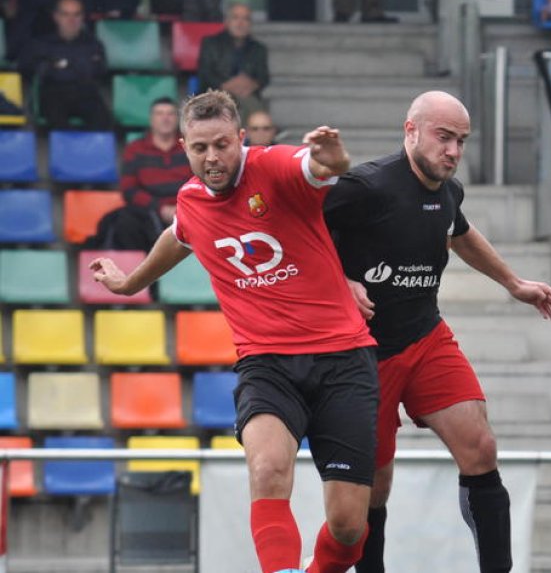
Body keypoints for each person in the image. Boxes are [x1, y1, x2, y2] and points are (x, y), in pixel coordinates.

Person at [90, 90, 379, 573]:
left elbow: (317, 167)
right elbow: (178, 234)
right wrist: (129, 284)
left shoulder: (275, 168)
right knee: (266, 469)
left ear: (241, 139)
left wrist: (334, 159)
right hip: (265, 363)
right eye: (200, 148)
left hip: (343, 358)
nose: (212, 157)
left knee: (350, 526)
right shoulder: (190, 199)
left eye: (222, 145)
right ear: (184, 147)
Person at [323, 91, 551, 573]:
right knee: (375, 487)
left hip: (425, 337)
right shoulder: (365, 187)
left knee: (481, 447)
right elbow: (298, 229)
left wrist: (513, 283)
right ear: (410, 130)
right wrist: (339, 282)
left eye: (461, 141)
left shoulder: (448, 191)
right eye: (444, 137)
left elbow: (460, 232)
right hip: (361, 356)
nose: (453, 151)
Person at [89, 97, 191, 251]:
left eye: (170, 114)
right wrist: (161, 208)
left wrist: (180, 208)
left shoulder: (190, 148)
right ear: (151, 119)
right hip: (149, 213)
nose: (165, 118)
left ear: (177, 119)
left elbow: (200, 183)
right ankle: (142, 272)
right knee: (125, 222)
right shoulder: (135, 149)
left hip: (187, 211)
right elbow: (129, 190)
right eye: (160, 114)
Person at [18, 0, 113, 129]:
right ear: (56, 17)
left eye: (76, 15)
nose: (71, 20)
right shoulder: (41, 43)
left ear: (82, 17)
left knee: (103, 120)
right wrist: (50, 68)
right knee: (58, 122)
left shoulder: (93, 44)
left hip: (85, 92)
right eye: (65, 15)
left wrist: (60, 66)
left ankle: (93, 150)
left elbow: (101, 70)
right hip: (52, 92)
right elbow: (26, 67)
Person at [198, 3, 270, 115]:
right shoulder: (210, 43)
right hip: (215, 94)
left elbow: (264, 77)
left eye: (245, 19)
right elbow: (205, 73)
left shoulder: (259, 49)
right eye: (235, 18)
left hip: (246, 94)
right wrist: (227, 86)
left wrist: (251, 85)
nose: (240, 23)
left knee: (253, 110)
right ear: (227, 21)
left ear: (250, 24)